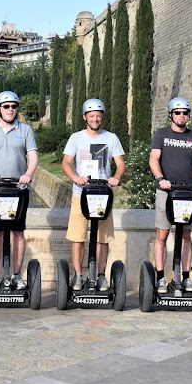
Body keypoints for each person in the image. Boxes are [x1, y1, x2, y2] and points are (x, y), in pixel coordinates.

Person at [0, 90, 38, 290]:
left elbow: (33, 155)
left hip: (19, 190)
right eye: (6, 106)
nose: (11, 110)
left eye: (14, 106)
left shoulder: (25, 129)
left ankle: (17, 275)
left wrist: (28, 173)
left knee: (18, 232)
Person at [62, 99, 126, 292]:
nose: (95, 119)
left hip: (102, 194)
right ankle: (78, 276)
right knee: (77, 237)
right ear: (84, 117)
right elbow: (66, 163)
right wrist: (75, 176)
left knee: (102, 238)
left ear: (102, 117)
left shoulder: (111, 138)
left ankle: (100, 276)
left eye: (98, 115)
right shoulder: (76, 138)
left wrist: (115, 176)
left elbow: (121, 164)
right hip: (80, 193)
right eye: (91, 116)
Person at [148, 97, 192, 294]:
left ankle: (185, 277)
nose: (181, 116)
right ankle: (160, 277)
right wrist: (160, 178)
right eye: (177, 112)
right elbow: (154, 159)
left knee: (185, 235)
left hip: (187, 193)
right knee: (162, 234)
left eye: (185, 113)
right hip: (166, 190)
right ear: (171, 114)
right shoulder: (162, 134)